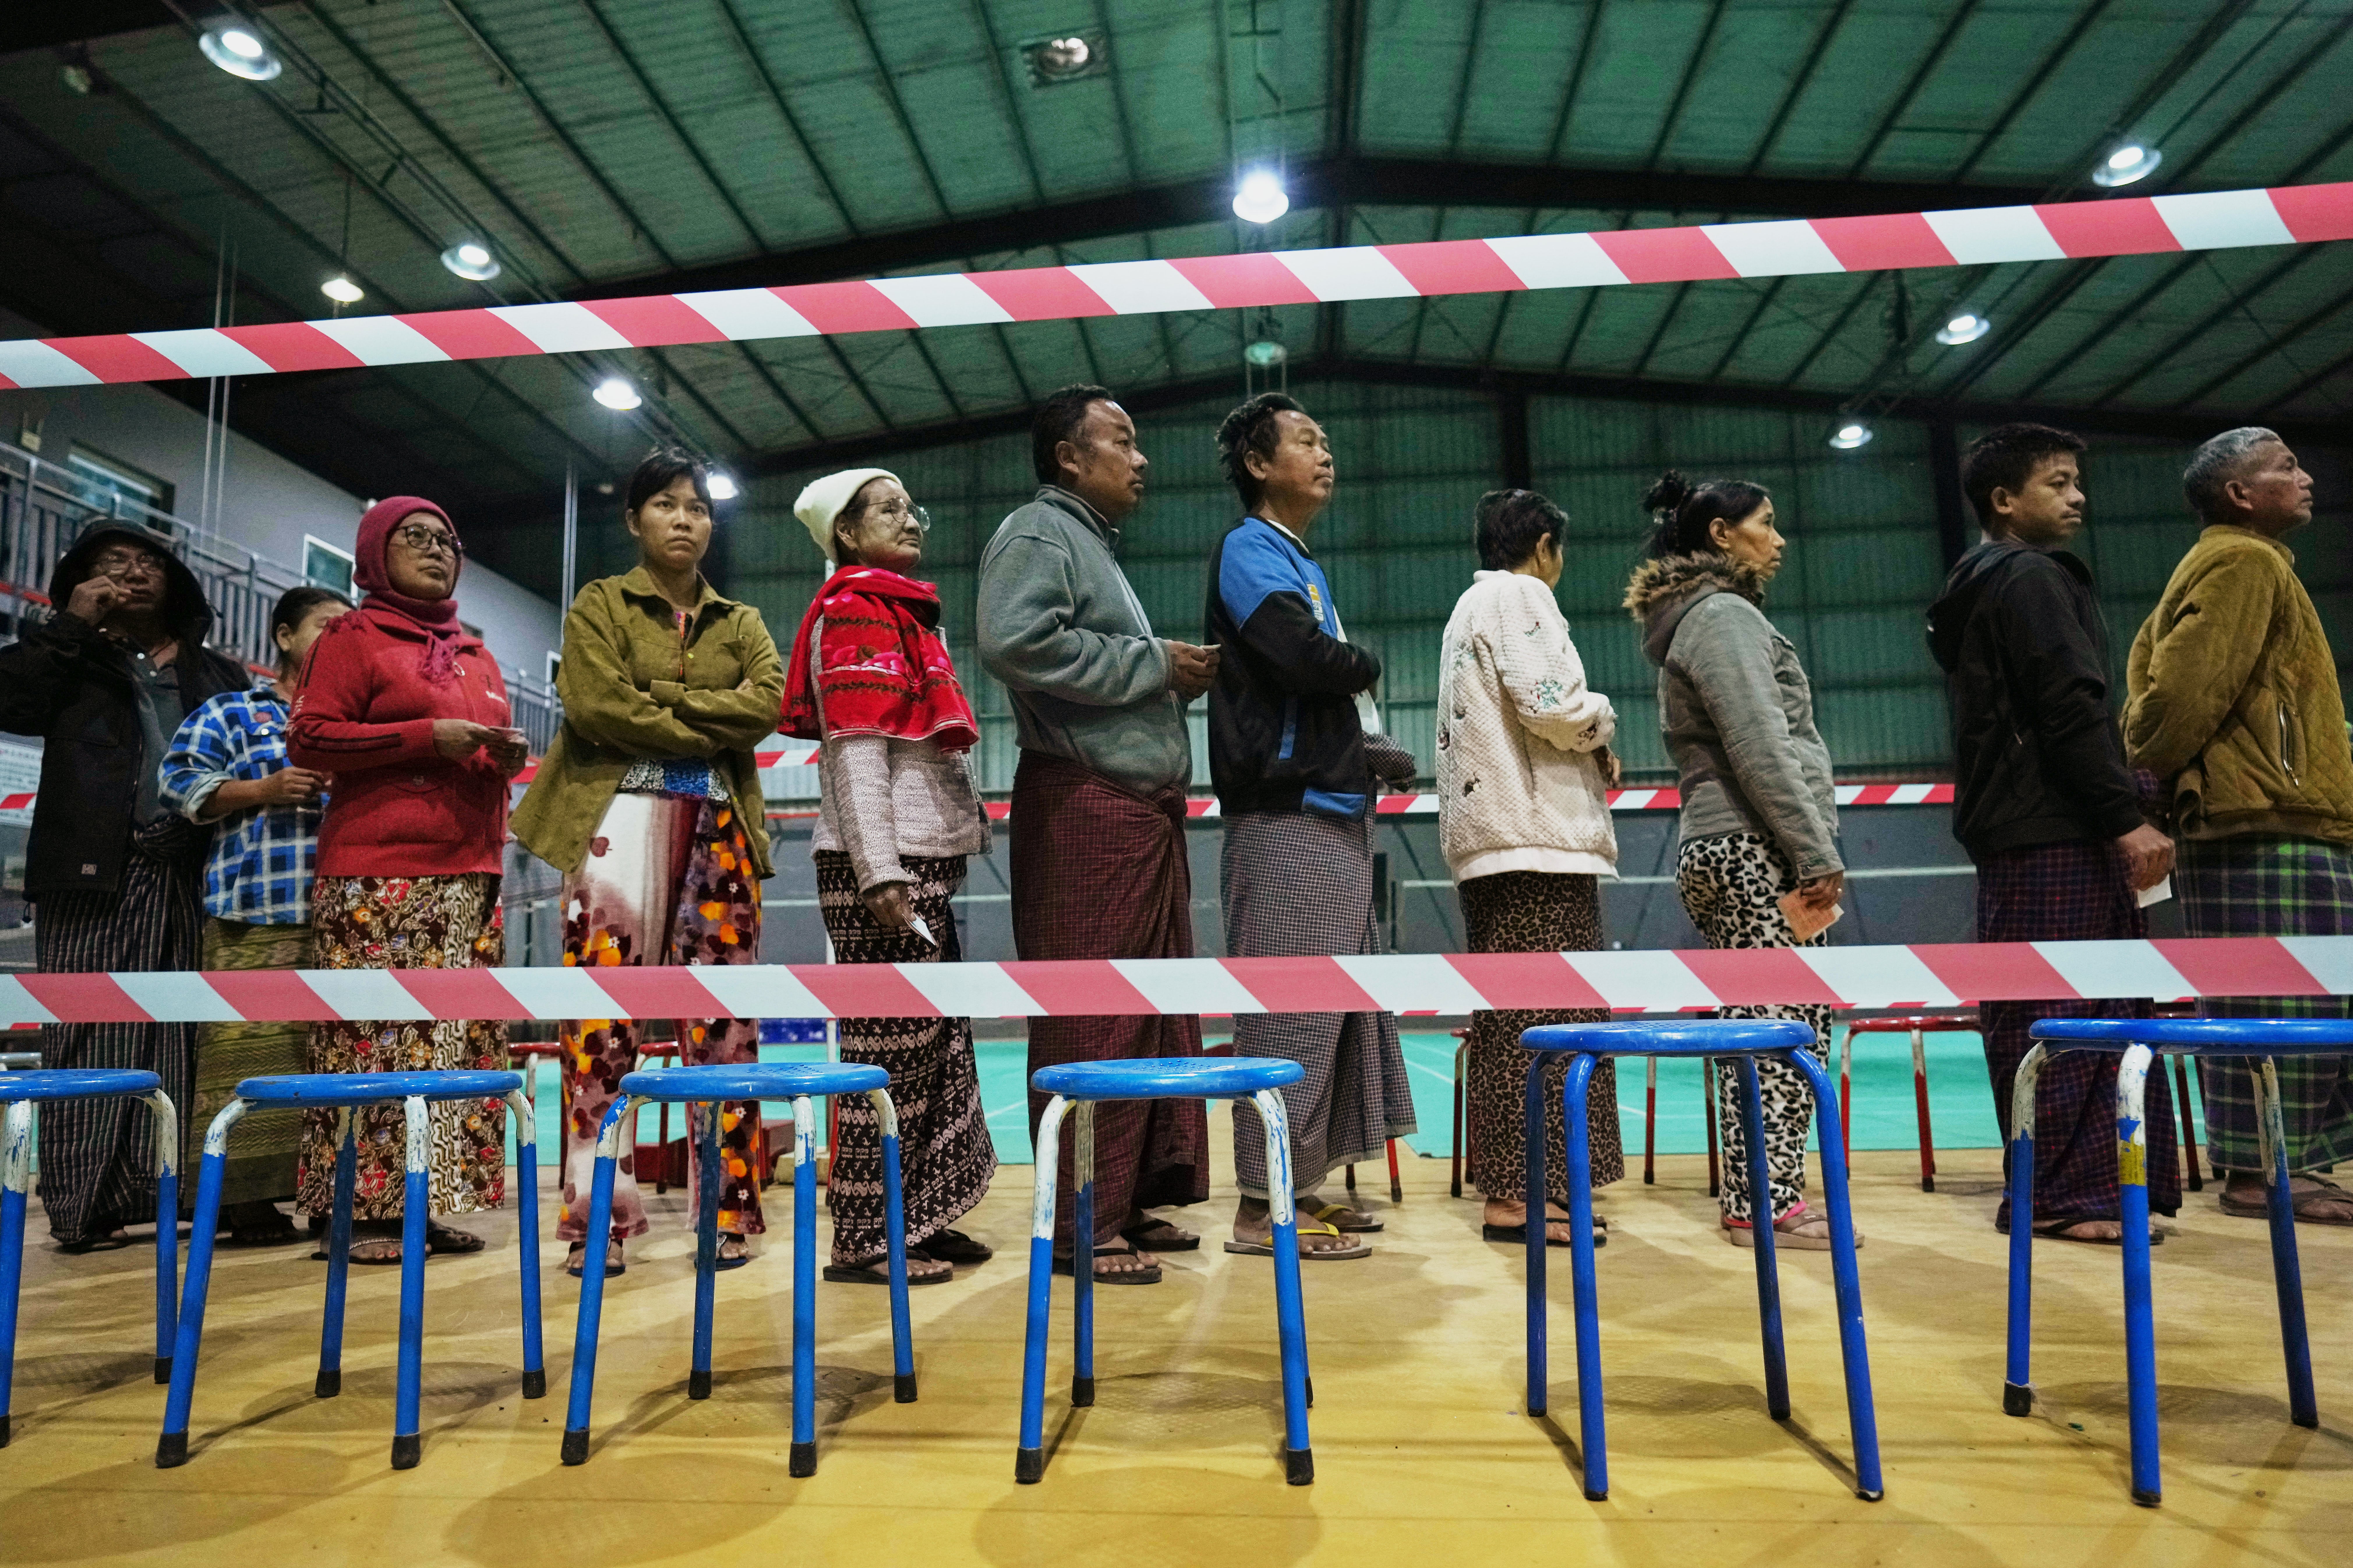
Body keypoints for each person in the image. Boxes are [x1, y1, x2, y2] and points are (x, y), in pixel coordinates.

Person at [512, 449, 784, 1278]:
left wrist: (654, 707)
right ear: (634, 520)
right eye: (666, 504)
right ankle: (599, 1220)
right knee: (601, 1027)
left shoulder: (741, 620)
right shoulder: (599, 605)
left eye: (698, 507)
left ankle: (728, 1216)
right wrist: (709, 718)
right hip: (612, 824)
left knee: (726, 1027)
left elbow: (765, 705)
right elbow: (593, 706)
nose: (684, 519)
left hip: (720, 828)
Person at [977, 383, 1220, 1285]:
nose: (1142, 458)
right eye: (1121, 441)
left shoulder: (1089, 545)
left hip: (1133, 813)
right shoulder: (1040, 533)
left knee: (1150, 1015)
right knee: (1097, 1017)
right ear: (1069, 457)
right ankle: (1083, 1221)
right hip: (1087, 808)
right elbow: (1011, 641)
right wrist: (1157, 663)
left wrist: (1163, 673)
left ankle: (1126, 1200)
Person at [1927, 423, 2181, 1243]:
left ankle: (2091, 1185)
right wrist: (2125, 818)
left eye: (2078, 481)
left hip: (2024, 831)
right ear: (2005, 501)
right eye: (2057, 482)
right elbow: (2070, 707)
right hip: (2059, 829)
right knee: (2073, 1010)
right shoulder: (2029, 577)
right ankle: (2067, 1192)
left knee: (2049, 1007)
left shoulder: (1980, 580)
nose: (2077, 497)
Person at [1203, 392, 1418, 1261]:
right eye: (1305, 440)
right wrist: (1363, 662)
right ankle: (1261, 1211)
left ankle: (1306, 1183)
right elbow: (1307, 659)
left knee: (1335, 1009)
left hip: (1327, 811)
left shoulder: (1299, 559)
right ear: (1259, 467)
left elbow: (1303, 695)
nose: (1325, 454)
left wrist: (1358, 750)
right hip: (1283, 819)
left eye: (1326, 438)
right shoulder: (1250, 550)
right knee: (1291, 1010)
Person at [288, 497, 528, 1265]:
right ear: (373, 553)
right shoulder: (351, 638)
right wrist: (428, 736)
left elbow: (473, 748)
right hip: (378, 875)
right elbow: (312, 735)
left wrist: (501, 757)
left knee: (456, 1046)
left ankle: (425, 1205)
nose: (436, 549)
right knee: (373, 1044)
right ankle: (358, 1213)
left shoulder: (476, 654)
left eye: (446, 540)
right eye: (414, 537)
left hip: (471, 872)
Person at [2127, 427, 2353, 1226]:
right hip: (2260, 823)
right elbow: (2180, 695)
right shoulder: (2243, 562)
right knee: (2283, 1007)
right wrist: (2151, 778)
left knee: (2302, 1004)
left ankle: (2279, 1167)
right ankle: (2261, 1175)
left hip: (2278, 816)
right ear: (2239, 494)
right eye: (2286, 466)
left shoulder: (2251, 563)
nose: (2306, 476)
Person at [1623, 472, 1853, 1250]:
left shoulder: (1706, 616)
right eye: (1765, 521)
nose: (1779, 538)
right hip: (1754, 845)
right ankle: (1765, 1202)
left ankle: (1765, 1192)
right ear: (1722, 535)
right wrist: (1815, 850)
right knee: (1780, 1029)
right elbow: (1762, 745)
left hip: (1734, 843)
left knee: (1765, 1024)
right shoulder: (1721, 617)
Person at [0, 525, 244, 1251]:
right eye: (114, 563)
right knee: (84, 1029)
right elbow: (9, 701)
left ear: (175, 582)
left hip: (192, 868)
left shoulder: (217, 674)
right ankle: (82, 1203)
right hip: (91, 870)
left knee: (183, 1032)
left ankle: (168, 1192)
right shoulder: (69, 658)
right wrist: (71, 623)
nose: (133, 572)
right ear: (82, 577)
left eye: (148, 562)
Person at [782, 467, 996, 1286]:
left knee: (939, 1048)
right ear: (844, 529)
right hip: (885, 868)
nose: (911, 520)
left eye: (913, 505)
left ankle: (924, 1217)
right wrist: (879, 867)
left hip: (923, 859)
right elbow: (857, 750)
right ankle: (867, 1237)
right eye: (888, 509)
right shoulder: (854, 614)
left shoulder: (904, 612)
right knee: (889, 1054)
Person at [1438, 488, 1623, 1249]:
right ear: (1544, 544)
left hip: (1505, 839)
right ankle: (1519, 1196)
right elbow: (1550, 701)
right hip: (1533, 843)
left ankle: (1536, 1187)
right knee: (1538, 1022)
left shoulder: (1470, 607)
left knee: (1525, 1017)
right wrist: (1602, 719)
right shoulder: (1520, 595)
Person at [159, 584, 352, 1248]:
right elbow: (178, 782)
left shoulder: (358, 720)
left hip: (345, 917)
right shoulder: (232, 711)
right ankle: (242, 1202)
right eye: (326, 625)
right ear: (283, 634)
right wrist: (262, 789)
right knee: (241, 1058)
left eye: (348, 630)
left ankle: (334, 1194)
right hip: (252, 910)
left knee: (335, 1060)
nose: (338, 638)